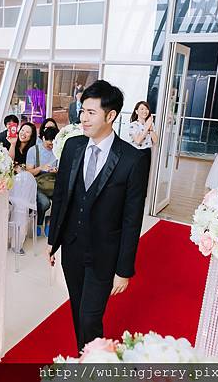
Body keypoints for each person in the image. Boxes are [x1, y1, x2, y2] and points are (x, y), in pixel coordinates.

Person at [46, 80, 150, 351]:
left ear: (111, 115)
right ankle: (86, 356)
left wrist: (124, 270)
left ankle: (92, 364)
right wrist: (53, 241)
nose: (83, 118)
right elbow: (61, 196)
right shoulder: (72, 146)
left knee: (90, 317)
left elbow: (132, 220)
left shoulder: (132, 159)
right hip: (72, 248)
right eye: (83, 111)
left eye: (91, 112)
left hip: (104, 255)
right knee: (77, 309)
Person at [26, 127, 58, 236]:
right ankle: (39, 222)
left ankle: (50, 220)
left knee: (62, 201)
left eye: (53, 143)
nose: (51, 146)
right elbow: (29, 172)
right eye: (49, 143)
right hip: (38, 184)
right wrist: (41, 168)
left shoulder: (58, 150)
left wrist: (57, 170)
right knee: (44, 203)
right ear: (43, 138)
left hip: (54, 182)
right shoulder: (34, 150)